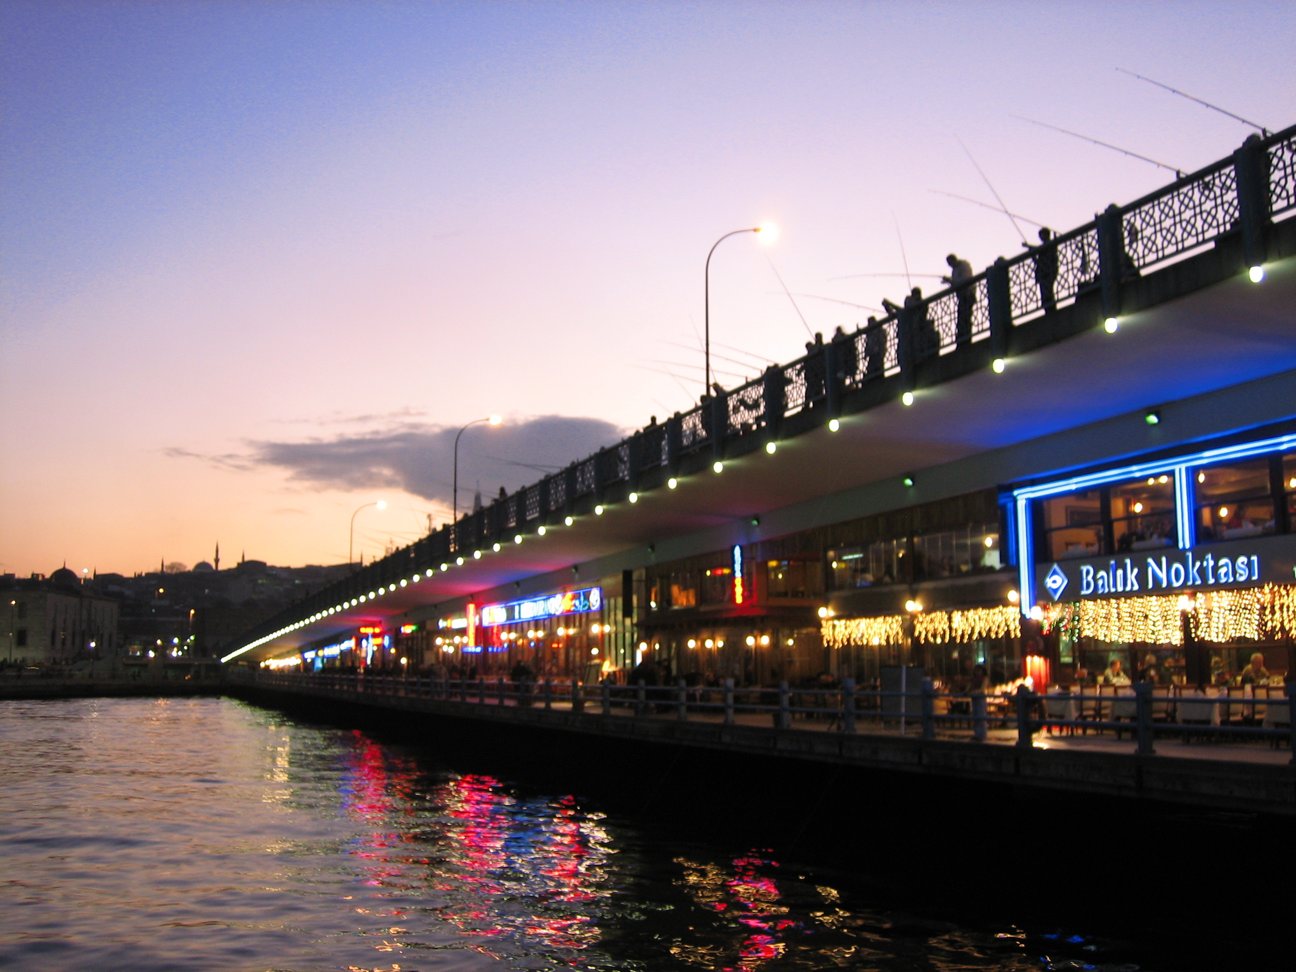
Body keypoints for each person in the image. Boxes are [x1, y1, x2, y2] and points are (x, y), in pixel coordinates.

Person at [941, 253, 975, 347]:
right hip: (961, 297)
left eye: (950, 263)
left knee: (966, 318)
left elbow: (964, 281)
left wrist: (950, 281)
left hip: (968, 295)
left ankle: (966, 339)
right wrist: (949, 282)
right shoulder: (954, 270)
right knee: (961, 318)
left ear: (953, 260)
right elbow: (956, 284)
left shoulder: (964, 265)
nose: (950, 266)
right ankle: (961, 340)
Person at [1024, 227, 1058, 313]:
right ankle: (1048, 308)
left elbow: (1041, 250)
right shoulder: (1046, 246)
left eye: (1042, 235)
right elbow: (1037, 260)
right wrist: (1031, 251)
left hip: (1048, 272)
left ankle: (1050, 308)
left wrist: (1029, 247)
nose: (1041, 237)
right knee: (1045, 292)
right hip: (1043, 272)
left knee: (1048, 291)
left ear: (1046, 235)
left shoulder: (1049, 245)